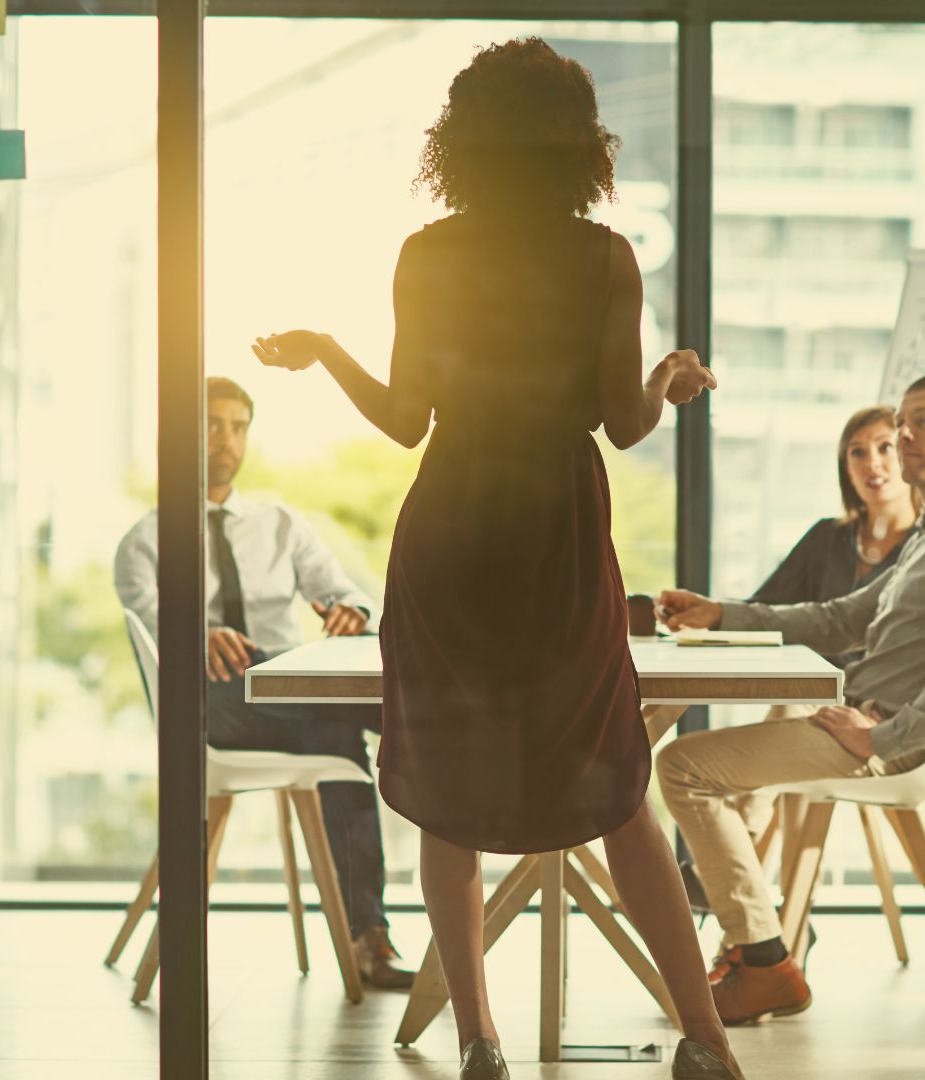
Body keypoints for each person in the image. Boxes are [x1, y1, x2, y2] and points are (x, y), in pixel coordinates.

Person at [249, 38, 744, 1080]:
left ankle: (477, 1040)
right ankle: (703, 1040)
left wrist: (326, 349)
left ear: (461, 138)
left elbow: (399, 423)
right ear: (577, 138)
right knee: (619, 785)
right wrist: (668, 380)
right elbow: (622, 425)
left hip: (451, 535)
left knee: (446, 789)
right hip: (558, 538)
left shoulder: (428, 255)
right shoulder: (605, 258)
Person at [654, 374, 925, 1027]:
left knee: (682, 769)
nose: (903, 437)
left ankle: (763, 961)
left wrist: (881, 739)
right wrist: (721, 614)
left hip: (889, 738)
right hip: (860, 719)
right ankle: (761, 953)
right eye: (902, 422)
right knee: (691, 766)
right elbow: (838, 620)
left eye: (923, 422)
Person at [112, 376, 416, 991]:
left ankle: (371, 936)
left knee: (341, 735)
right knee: (379, 720)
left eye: (237, 426)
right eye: (211, 425)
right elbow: (152, 626)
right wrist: (195, 632)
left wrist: (349, 610)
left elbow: (343, 590)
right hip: (211, 707)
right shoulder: (144, 541)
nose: (226, 440)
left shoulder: (279, 522)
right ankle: (372, 934)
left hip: (295, 699)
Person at [679, 406, 921, 919]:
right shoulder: (827, 538)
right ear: (844, 466)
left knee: (794, 707)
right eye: (857, 452)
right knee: (800, 699)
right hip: (811, 705)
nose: (872, 463)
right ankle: (773, 923)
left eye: (883, 448)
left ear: (907, 455)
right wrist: (712, 614)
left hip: (873, 718)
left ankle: (728, 872)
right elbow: (771, 607)